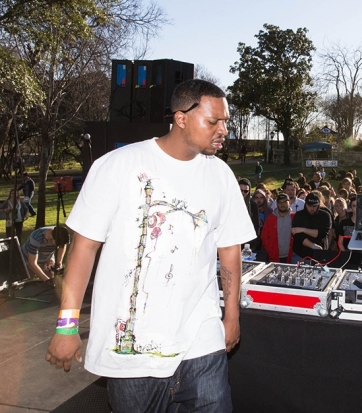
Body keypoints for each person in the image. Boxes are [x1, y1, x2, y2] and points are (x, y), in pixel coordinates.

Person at [45, 79, 256, 413]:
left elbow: (229, 249)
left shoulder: (221, 176)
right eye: (213, 121)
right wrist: (67, 325)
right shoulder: (118, 166)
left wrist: (231, 316)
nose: (223, 129)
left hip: (201, 339)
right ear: (181, 118)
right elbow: (84, 247)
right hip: (133, 351)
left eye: (226, 121)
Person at [291, 192, 331, 263]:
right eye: (309, 206)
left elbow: (321, 233)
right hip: (300, 255)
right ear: (305, 204)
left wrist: (302, 229)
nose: (312, 208)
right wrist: (314, 246)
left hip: (319, 256)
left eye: (314, 206)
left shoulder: (325, 215)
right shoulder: (299, 215)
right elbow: (298, 236)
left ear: (319, 205)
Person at [261, 193, 295, 263]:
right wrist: (270, 250)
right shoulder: (270, 219)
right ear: (276, 204)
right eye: (280, 202)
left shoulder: (294, 217)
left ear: (290, 203)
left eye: (285, 202)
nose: (282, 204)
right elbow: (264, 237)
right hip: (274, 257)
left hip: (291, 257)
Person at [239, 178, 260, 250]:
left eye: (245, 191)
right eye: (240, 190)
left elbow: (256, 224)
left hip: (247, 241)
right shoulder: (229, 203)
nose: (242, 193)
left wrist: (254, 242)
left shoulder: (252, 205)